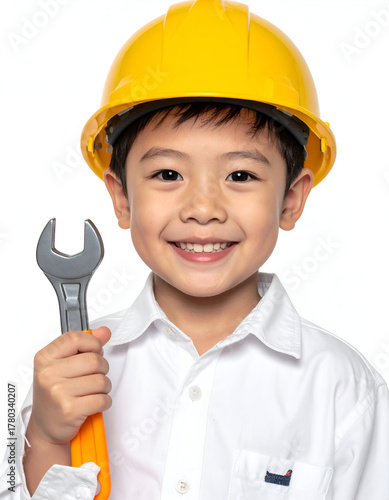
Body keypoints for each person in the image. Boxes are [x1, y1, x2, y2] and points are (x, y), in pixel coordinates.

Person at [1, 0, 389, 498]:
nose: (203, 208)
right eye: (168, 174)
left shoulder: (344, 390)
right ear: (120, 198)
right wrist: (47, 437)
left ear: (291, 200)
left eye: (240, 175)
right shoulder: (69, 377)